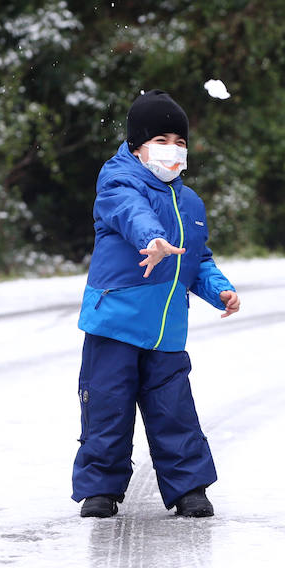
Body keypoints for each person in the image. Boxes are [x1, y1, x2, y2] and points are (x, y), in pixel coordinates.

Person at [71, 89, 241, 518]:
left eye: (180, 142)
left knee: (175, 411)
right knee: (108, 406)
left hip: (166, 329)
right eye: (162, 140)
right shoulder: (118, 182)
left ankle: (189, 488)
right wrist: (153, 239)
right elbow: (132, 214)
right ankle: (100, 490)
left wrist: (219, 288)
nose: (173, 150)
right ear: (136, 145)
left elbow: (198, 258)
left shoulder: (190, 203)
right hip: (116, 322)